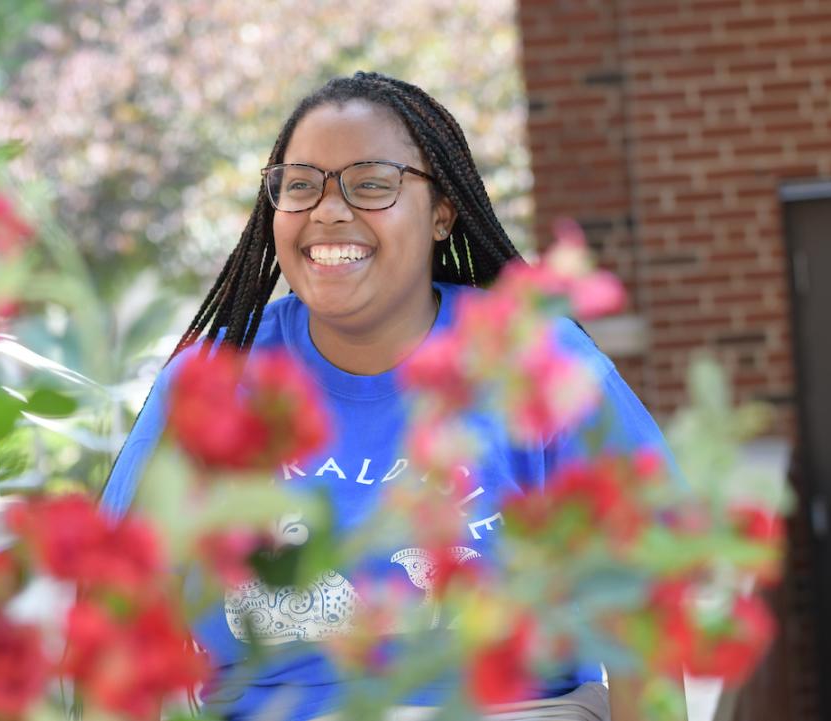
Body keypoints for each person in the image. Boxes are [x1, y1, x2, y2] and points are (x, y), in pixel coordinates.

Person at [101, 71, 684, 721]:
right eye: (300, 186)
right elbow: (113, 615)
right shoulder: (213, 381)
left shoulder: (536, 362)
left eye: (371, 183)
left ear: (442, 211)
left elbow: (645, 615)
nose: (328, 209)